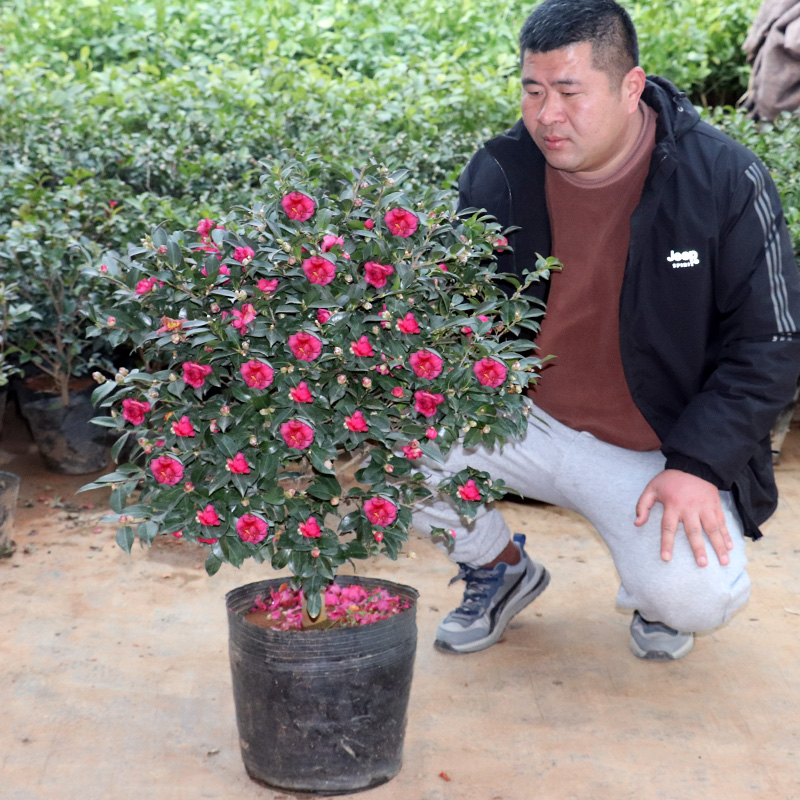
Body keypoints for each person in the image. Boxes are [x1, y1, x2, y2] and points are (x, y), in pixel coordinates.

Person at [413, 0, 800, 660]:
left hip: (657, 448)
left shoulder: (722, 178)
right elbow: (457, 306)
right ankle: (498, 567)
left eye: (569, 92)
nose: (546, 115)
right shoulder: (501, 170)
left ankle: (657, 595)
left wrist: (697, 466)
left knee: (694, 599)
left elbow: (771, 343)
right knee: (390, 438)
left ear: (630, 86)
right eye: (533, 90)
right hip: (525, 424)